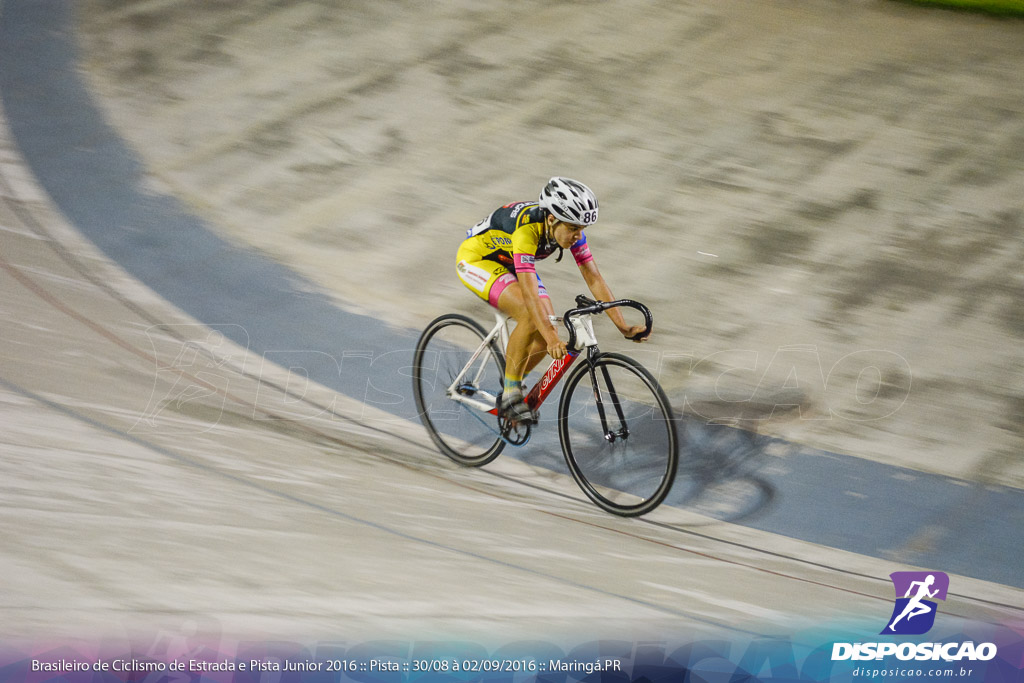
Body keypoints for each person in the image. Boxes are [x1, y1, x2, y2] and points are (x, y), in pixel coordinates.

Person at [455, 177, 649, 424]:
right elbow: (529, 295)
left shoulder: (569, 230)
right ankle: (510, 395)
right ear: (551, 219)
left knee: (548, 326)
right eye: (572, 229)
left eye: (582, 230)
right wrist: (551, 339)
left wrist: (622, 326)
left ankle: (511, 382)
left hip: (511, 261)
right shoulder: (527, 231)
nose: (577, 236)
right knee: (530, 314)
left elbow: (594, 278)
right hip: (477, 260)